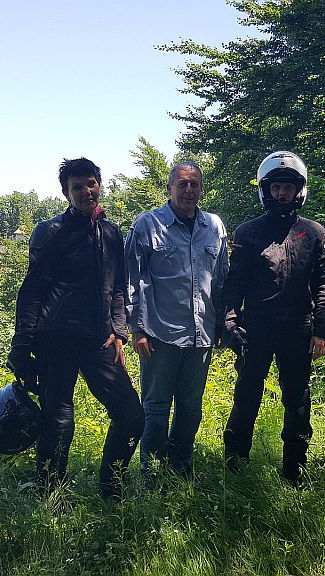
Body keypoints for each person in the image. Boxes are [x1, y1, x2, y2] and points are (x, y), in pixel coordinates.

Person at [7, 157, 144, 499]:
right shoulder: (50, 231)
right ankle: (50, 494)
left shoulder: (111, 232)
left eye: (91, 184)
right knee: (58, 420)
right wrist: (21, 345)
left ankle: (111, 487)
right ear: (66, 193)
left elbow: (117, 287)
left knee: (131, 415)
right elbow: (33, 290)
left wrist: (119, 331)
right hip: (56, 338)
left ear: (100, 184)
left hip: (99, 339)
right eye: (77, 187)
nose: (86, 192)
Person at [222, 151, 325, 486]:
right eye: (276, 187)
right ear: (265, 190)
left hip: (298, 326)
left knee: (297, 398)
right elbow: (235, 283)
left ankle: (295, 468)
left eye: (288, 187)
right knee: (246, 394)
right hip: (256, 326)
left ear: (299, 190)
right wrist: (229, 323)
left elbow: (323, 282)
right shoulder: (248, 232)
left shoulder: (313, 233)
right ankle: (235, 466)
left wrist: (321, 329)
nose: (282, 193)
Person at [125, 161, 229, 481]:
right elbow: (131, 280)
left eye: (194, 184)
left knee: (191, 407)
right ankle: (152, 473)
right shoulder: (147, 225)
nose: (188, 190)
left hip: (202, 334)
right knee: (156, 408)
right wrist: (137, 328)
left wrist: (223, 325)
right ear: (169, 188)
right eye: (182, 184)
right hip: (159, 333)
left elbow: (222, 280)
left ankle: (181, 468)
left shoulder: (214, 227)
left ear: (201, 189)